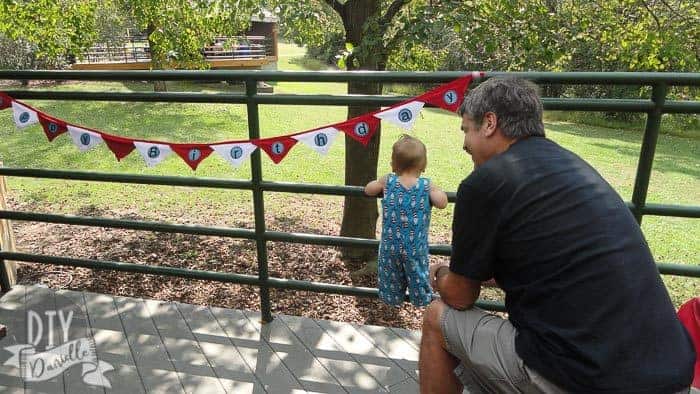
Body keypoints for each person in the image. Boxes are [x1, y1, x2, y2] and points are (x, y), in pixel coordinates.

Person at [419, 77, 695, 393]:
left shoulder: (486, 182)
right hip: (671, 375)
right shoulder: (573, 167)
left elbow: (459, 295)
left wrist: (438, 273)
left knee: (436, 318)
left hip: (587, 380)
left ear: (490, 123)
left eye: (466, 129)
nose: (464, 143)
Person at [365, 134, 448, 307]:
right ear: (423, 165)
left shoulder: (388, 181)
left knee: (391, 276)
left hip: (390, 247)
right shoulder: (426, 185)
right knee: (418, 275)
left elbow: (369, 190)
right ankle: (421, 300)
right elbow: (442, 203)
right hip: (415, 248)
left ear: (394, 164)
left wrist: (378, 184)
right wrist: (436, 191)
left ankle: (392, 299)